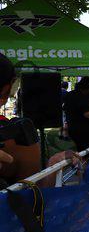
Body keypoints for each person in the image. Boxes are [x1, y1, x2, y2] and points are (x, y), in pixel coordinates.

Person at [0, 53, 78, 188]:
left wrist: (54, 165)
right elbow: (32, 195)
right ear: (7, 89)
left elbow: (33, 193)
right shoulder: (18, 137)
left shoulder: (15, 135)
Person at [63, 77, 89, 152]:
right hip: (84, 134)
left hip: (74, 130)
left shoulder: (70, 94)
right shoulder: (80, 97)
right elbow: (87, 115)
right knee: (87, 154)